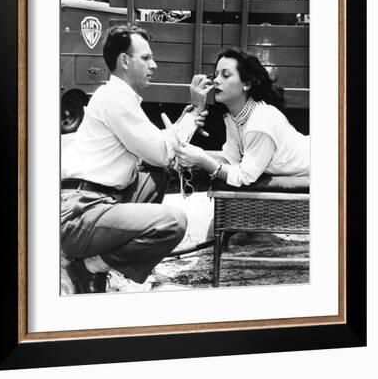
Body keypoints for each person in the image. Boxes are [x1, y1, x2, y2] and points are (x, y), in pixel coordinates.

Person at [61, 24, 212, 293]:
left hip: (97, 201)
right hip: (80, 213)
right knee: (173, 222)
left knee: (156, 176)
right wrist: (192, 114)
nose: (153, 65)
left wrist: (189, 116)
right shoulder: (116, 99)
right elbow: (163, 152)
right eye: (146, 58)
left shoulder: (119, 96)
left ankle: (100, 269)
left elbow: (157, 147)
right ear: (124, 61)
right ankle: (89, 268)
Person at [175, 48, 309, 187]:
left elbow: (244, 177)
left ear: (247, 84)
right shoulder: (235, 116)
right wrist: (191, 153)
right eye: (216, 75)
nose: (216, 80)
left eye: (225, 75)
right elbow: (231, 159)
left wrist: (201, 159)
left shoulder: (260, 123)